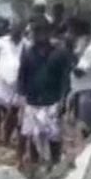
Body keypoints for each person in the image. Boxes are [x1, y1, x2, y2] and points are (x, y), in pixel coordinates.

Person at [17, 16, 71, 169]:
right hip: (32, 101)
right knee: (34, 135)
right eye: (36, 32)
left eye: (42, 32)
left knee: (53, 135)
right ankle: (36, 165)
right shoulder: (28, 53)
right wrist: (21, 97)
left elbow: (65, 79)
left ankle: (54, 163)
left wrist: (63, 100)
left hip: (52, 100)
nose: (39, 35)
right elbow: (22, 76)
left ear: (49, 32)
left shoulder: (60, 53)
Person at [0, 21, 26, 145]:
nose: (15, 31)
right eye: (13, 29)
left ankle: (7, 139)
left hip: (17, 83)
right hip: (0, 80)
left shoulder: (27, 44)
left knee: (13, 113)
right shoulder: (1, 42)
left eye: (18, 29)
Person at [68, 14, 91, 138]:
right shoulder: (83, 46)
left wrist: (67, 59)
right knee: (79, 127)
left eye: (72, 31)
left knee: (88, 130)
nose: (70, 34)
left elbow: (79, 72)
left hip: (89, 94)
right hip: (80, 91)